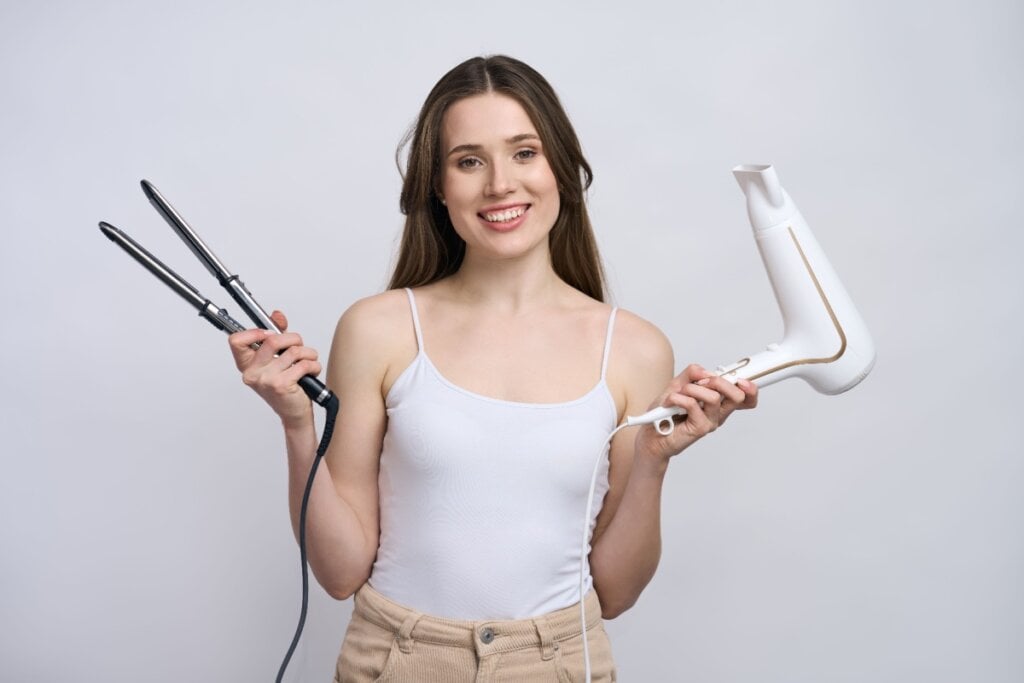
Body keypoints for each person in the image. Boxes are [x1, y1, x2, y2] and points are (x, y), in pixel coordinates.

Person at [228, 55, 758, 682]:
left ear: (561, 167)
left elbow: (614, 593)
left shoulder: (635, 348)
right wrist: (296, 427)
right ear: (438, 186)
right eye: (469, 160)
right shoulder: (379, 328)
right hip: (397, 661)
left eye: (525, 153)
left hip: (557, 663)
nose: (500, 184)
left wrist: (651, 461)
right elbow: (341, 573)